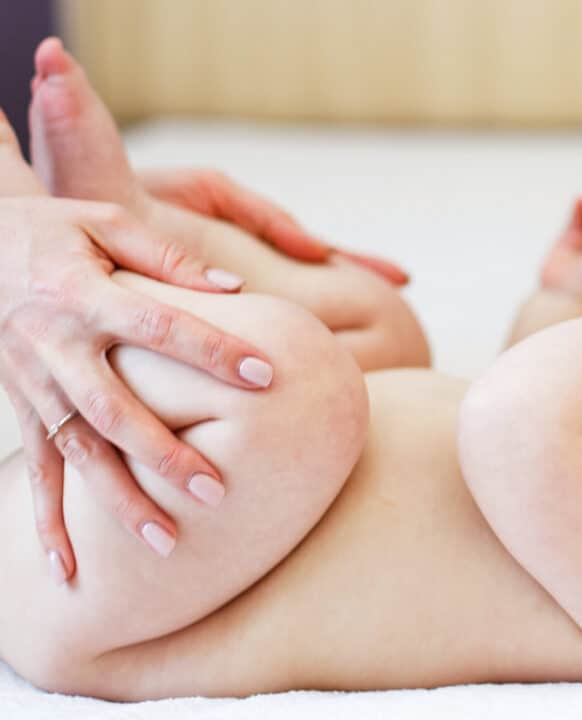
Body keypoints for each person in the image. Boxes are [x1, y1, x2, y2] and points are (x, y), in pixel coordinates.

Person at [2, 39, 582, 702]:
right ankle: (129, 243)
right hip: (170, 534)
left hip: (114, 596)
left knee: (302, 382)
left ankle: (127, 284)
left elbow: (514, 416)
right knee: (389, 332)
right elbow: (511, 393)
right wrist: (566, 306)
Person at [0, 37, 411, 585]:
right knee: (296, 375)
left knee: (386, 323)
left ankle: (117, 238)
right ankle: (114, 259)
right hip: (48, 571)